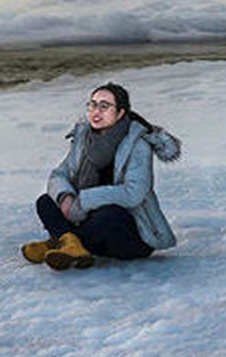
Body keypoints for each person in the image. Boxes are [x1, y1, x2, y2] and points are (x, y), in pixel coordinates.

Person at [22, 82, 182, 270]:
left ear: (120, 113)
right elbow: (60, 174)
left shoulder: (138, 144)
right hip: (90, 223)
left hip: (129, 236)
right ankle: (71, 244)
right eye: (93, 105)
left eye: (104, 106)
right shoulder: (84, 139)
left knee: (108, 215)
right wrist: (66, 197)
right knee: (45, 202)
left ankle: (61, 241)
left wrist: (83, 201)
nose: (96, 112)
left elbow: (133, 193)